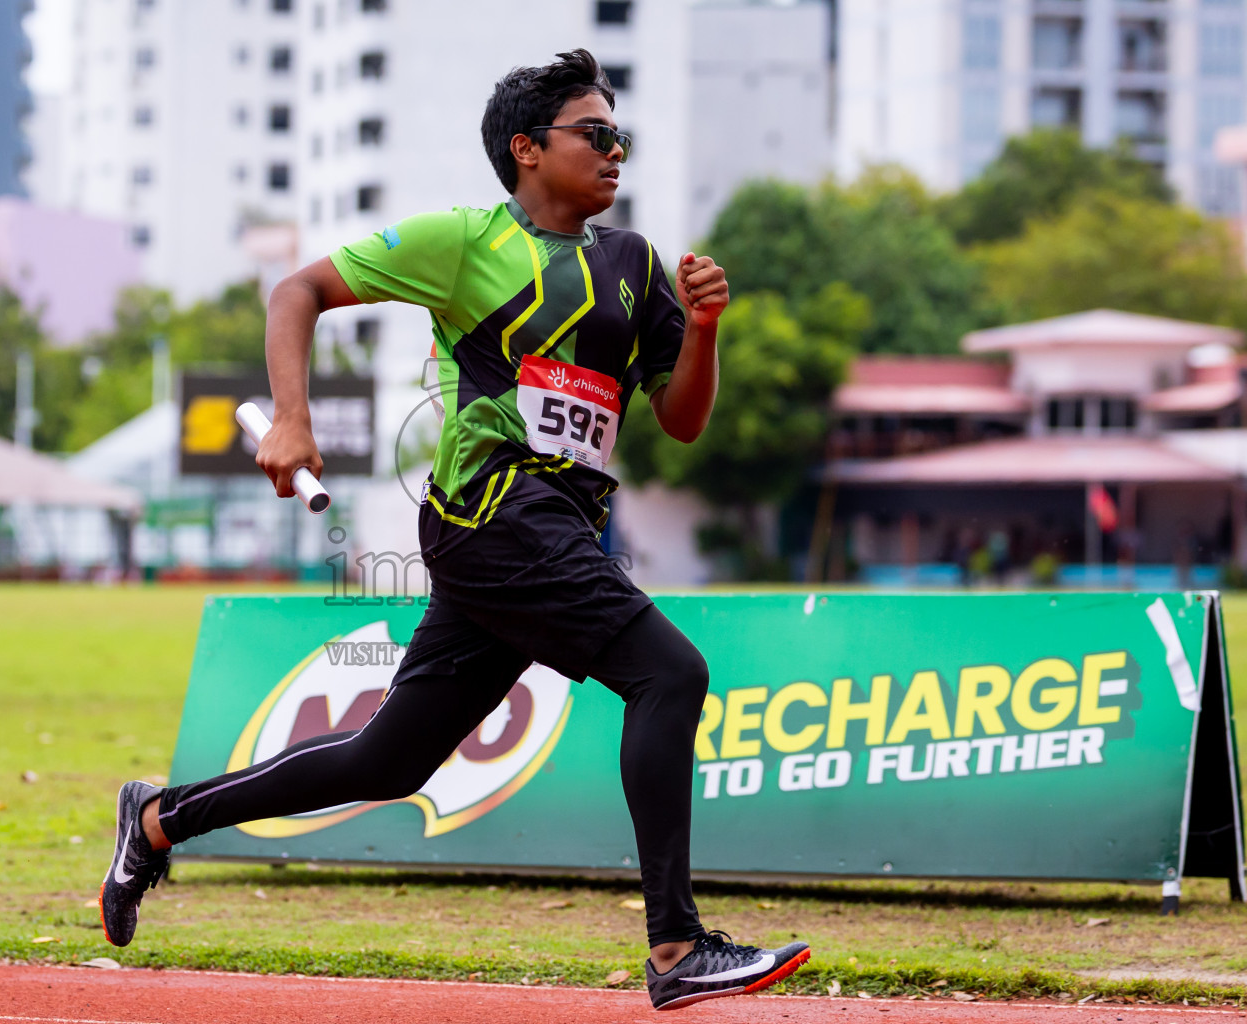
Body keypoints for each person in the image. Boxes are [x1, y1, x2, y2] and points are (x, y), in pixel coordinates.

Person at [100, 49, 810, 1011]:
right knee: (669, 673)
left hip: (551, 530)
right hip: (492, 513)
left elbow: (680, 420)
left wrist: (708, 330)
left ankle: (159, 819)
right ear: (526, 149)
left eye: (620, 137)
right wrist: (293, 416)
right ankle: (678, 946)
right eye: (594, 134)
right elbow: (295, 293)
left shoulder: (636, 265)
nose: (614, 152)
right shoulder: (464, 241)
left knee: (388, 761)